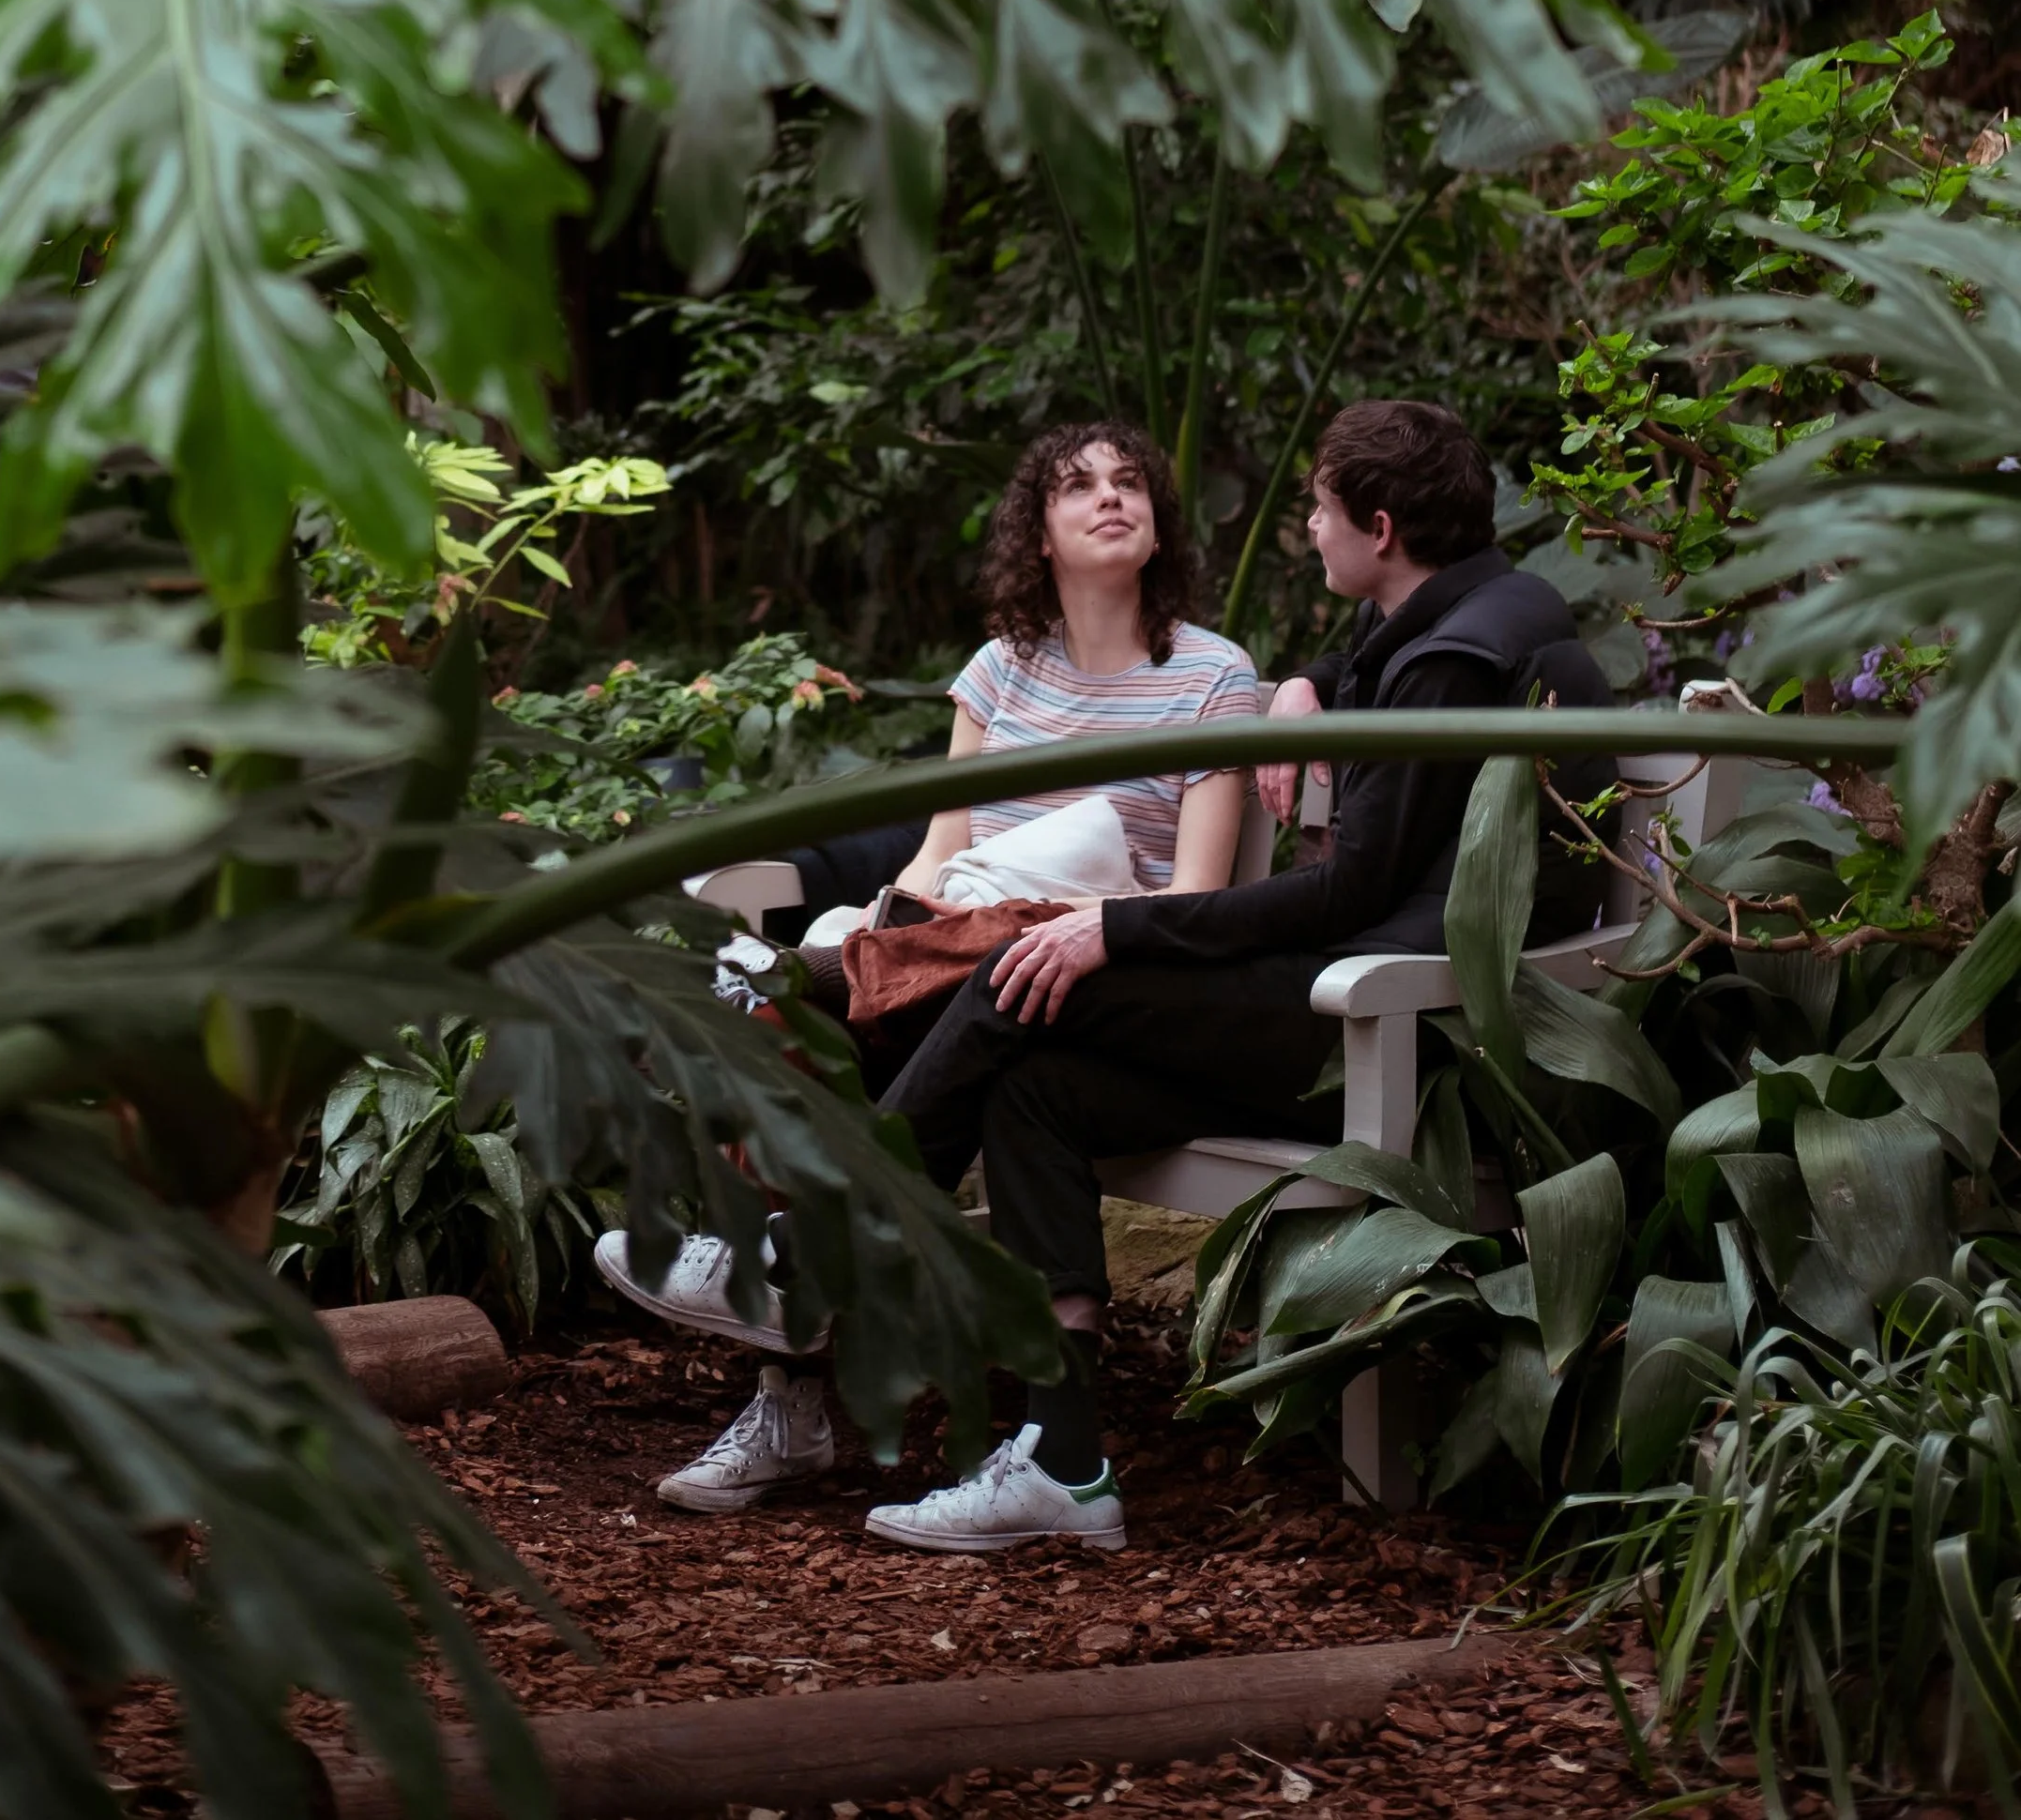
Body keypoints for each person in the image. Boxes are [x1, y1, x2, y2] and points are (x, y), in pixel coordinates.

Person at [846, 396, 1612, 1554]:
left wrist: (1125, 930)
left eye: (1318, 510)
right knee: (1033, 1078)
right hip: (1356, 999)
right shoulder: (1458, 615)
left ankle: (830, 1235)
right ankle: (1065, 1465)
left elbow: (1346, 895)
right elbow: (1363, 670)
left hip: (1395, 1026)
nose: (1309, 529)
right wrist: (1306, 682)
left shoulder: (1456, 658)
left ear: (1382, 527)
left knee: (1032, 969)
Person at [593, 417, 1259, 1523]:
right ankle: (795, 1395)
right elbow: (938, 857)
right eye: (1080, 486)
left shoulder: (1210, 676)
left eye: (1131, 483)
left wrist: (1040, 912)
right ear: (1038, 531)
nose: (1110, 498)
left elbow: (1190, 895)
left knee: (839, 1000)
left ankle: (796, 1267)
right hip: (971, 957)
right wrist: (890, 918)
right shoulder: (1000, 672)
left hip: (1091, 968)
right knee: (808, 1039)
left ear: (1157, 521)